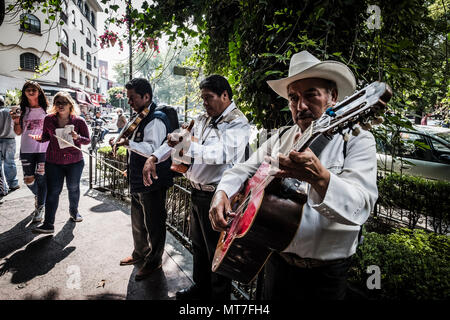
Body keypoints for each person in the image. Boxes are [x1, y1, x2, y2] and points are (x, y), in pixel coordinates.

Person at [209, 51, 379, 300]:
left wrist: (320, 177)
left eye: (310, 94)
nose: (300, 106)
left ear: (333, 97)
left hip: (325, 278)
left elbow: (362, 206)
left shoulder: (356, 139)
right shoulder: (281, 137)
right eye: (293, 97)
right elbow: (241, 170)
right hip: (275, 261)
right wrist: (221, 193)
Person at [143, 75, 251, 300]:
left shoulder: (237, 121)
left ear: (224, 95)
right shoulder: (202, 118)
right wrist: (155, 156)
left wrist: (188, 145)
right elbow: (178, 141)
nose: (205, 103)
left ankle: (218, 299)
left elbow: (221, 154)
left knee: (216, 254)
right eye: (202, 98)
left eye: (209, 98)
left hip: (217, 197)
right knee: (199, 248)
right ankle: (200, 288)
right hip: (197, 192)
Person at [111, 78, 174, 281]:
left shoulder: (155, 118)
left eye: (132, 98)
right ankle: (140, 253)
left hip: (153, 180)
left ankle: (154, 260)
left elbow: (152, 150)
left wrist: (127, 142)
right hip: (138, 178)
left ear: (146, 97)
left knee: (154, 223)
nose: (129, 102)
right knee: (138, 220)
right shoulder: (140, 116)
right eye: (128, 98)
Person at [31, 91, 90, 234]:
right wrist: (40, 138)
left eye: (64, 102)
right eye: (58, 102)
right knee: (53, 192)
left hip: (75, 161)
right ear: (54, 105)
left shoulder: (79, 121)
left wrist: (77, 137)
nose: (61, 105)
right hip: (54, 162)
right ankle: (48, 224)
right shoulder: (49, 119)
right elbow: (46, 136)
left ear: (70, 104)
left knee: (73, 188)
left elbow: (87, 140)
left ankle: (74, 212)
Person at [11, 81, 49, 223]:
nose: (31, 91)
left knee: (41, 178)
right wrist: (15, 121)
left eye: (34, 89)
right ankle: (40, 197)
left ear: (39, 92)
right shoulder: (22, 110)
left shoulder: (47, 109)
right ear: (24, 92)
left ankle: (40, 208)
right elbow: (18, 132)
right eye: (28, 89)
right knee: (28, 180)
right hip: (27, 150)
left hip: (44, 150)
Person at [0, 95, 20, 198]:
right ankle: (13, 183)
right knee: (10, 163)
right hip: (10, 140)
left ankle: (2, 187)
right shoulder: (9, 112)